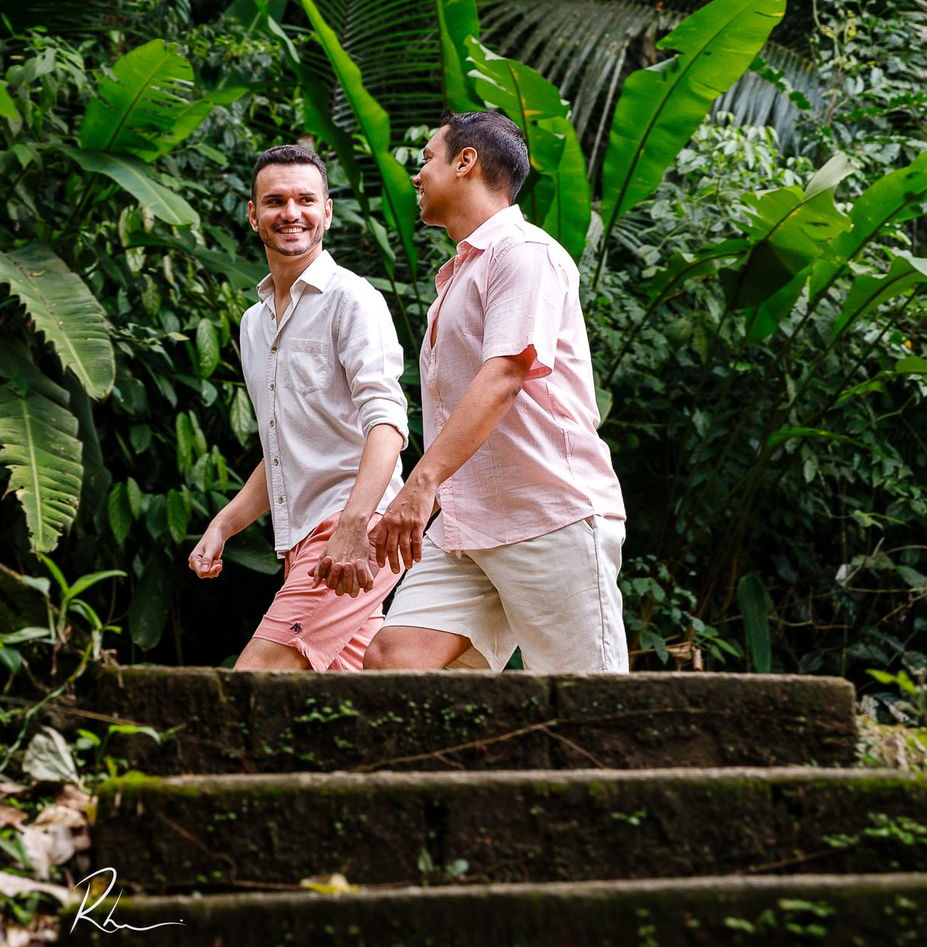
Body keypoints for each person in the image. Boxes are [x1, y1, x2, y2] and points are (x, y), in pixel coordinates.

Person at [359, 111, 628, 673]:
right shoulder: (459, 273)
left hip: (549, 514)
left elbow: (505, 375)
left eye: (427, 159)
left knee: (590, 703)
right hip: (468, 525)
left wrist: (420, 485)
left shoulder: (523, 252)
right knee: (393, 659)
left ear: (466, 161)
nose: (416, 174)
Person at [187, 144, 409, 671]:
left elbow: (387, 422)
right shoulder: (254, 324)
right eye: (275, 201)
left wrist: (354, 526)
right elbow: (284, 451)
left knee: (254, 681)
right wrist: (223, 525)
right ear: (253, 214)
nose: (291, 213)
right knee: (353, 694)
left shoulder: (352, 299)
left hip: (348, 528)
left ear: (327, 212)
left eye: (306, 200)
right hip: (302, 541)